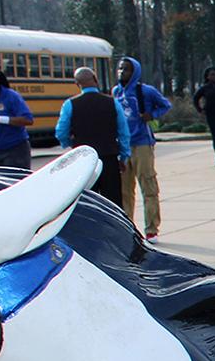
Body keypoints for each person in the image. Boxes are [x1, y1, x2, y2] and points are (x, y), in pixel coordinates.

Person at [112, 56, 172, 240]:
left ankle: (151, 229)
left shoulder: (145, 91)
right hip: (123, 146)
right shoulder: (116, 92)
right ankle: (127, 226)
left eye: (127, 69)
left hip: (142, 144)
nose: (122, 72)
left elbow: (165, 105)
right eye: (120, 69)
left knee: (148, 185)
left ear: (135, 72)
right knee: (124, 190)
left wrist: (151, 115)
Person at [55, 66, 131, 206]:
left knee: (88, 201)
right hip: (109, 157)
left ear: (77, 84)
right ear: (96, 80)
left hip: (84, 159)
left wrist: (71, 146)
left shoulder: (70, 104)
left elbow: (61, 132)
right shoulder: (112, 103)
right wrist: (123, 156)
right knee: (113, 202)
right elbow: (124, 132)